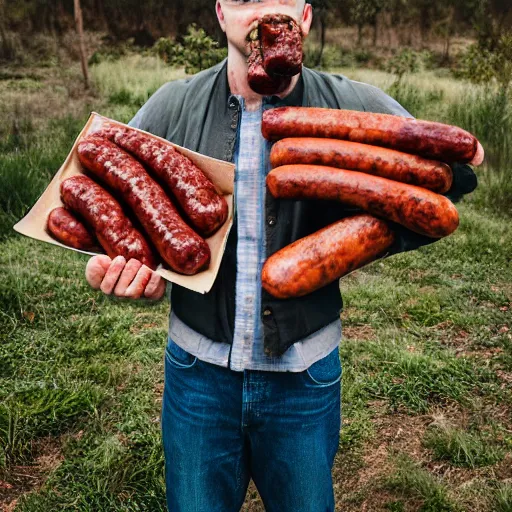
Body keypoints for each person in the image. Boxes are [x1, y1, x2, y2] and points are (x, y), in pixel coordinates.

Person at [85, 0, 477, 510]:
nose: (264, 9)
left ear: (306, 16)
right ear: (222, 13)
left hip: (304, 379)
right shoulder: (170, 106)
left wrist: (367, 238)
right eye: (247, 0)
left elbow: (452, 180)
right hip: (197, 377)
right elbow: (109, 201)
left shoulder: (352, 102)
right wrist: (130, 273)